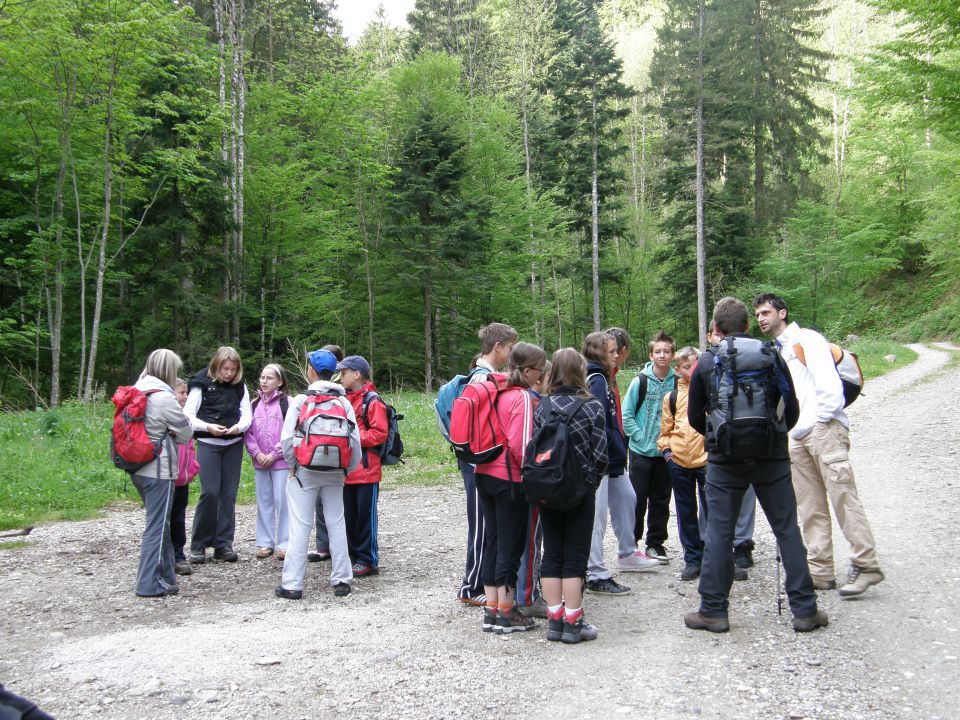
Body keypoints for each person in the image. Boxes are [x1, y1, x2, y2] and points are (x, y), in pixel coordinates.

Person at [685, 297, 827, 633]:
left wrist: (720, 435)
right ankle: (805, 610)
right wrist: (775, 436)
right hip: (771, 456)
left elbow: (693, 417)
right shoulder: (769, 353)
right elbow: (790, 406)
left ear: (716, 329)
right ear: (747, 325)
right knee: (786, 528)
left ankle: (714, 611)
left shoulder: (706, 361)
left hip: (724, 460)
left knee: (719, 531)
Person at [754, 293, 884, 597]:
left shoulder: (807, 340)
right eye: (757, 314)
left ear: (782, 313)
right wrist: (795, 431)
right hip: (798, 437)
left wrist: (819, 422)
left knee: (843, 497)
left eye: (766, 312)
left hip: (823, 431)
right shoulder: (780, 350)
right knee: (810, 506)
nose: (761, 318)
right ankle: (821, 570)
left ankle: (867, 564)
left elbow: (829, 386)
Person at [537, 348, 608, 644]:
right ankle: (574, 621)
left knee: (552, 552)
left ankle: (554, 620)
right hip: (580, 491)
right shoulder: (592, 406)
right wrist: (590, 483)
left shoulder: (543, 405)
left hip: (548, 487)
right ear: (580, 370)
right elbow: (601, 455)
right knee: (576, 554)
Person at [475, 342, 545, 634]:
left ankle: (492, 609)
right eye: (540, 371)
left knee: (492, 541)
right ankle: (507, 610)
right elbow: (521, 444)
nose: (541, 377)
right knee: (510, 544)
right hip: (509, 479)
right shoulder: (522, 398)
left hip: (483, 473)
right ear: (527, 371)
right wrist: (536, 469)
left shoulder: (496, 391)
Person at [277, 349, 359, 599]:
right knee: (336, 522)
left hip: (305, 471)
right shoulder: (343, 402)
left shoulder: (302, 401)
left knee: (300, 525)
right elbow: (353, 441)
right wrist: (347, 468)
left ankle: (292, 584)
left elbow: (287, 439)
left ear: (311, 371)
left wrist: (293, 464)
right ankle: (342, 580)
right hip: (336, 471)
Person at [583, 331, 656, 599]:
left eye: (616, 351)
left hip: (615, 456)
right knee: (596, 518)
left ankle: (627, 552)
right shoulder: (596, 380)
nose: (617, 355)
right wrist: (602, 457)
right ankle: (595, 572)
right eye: (611, 351)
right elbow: (596, 424)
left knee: (628, 497)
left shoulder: (606, 377)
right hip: (601, 459)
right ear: (598, 353)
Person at [457, 322, 518, 606]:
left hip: (477, 458)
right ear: (498, 347)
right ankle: (471, 587)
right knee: (482, 526)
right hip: (481, 459)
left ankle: (481, 583)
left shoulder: (481, 374)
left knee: (484, 524)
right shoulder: (483, 378)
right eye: (509, 347)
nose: (511, 353)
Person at [130, 349, 194, 597]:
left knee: (161, 523)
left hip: (137, 467)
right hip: (158, 469)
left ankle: (166, 577)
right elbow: (186, 432)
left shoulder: (137, 390)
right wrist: (172, 431)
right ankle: (148, 583)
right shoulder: (163, 397)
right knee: (156, 526)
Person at [184, 346, 252, 564]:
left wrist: (238, 428)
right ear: (217, 366)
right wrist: (208, 427)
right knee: (210, 492)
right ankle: (199, 544)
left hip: (232, 443)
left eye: (233, 369)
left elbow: (246, 414)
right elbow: (188, 415)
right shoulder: (200, 382)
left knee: (228, 494)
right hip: (208, 442)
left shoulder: (239, 385)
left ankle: (223, 544)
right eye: (225, 368)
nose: (229, 373)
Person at [707, 320, 757, 579]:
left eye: (719, 334)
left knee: (728, 496)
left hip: (725, 441)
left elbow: (696, 412)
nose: (718, 339)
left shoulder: (708, 363)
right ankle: (736, 547)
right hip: (753, 441)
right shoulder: (764, 352)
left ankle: (738, 545)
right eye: (714, 335)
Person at [622, 330, 676, 563]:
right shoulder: (640, 381)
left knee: (661, 499)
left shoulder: (678, 382)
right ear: (651, 354)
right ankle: (632, 543)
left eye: (666, 351)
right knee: (637, 498)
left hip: (666, 452)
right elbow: (627, 414)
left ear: (672, 355)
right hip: (641, 452)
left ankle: (656, 543)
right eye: (658, 351)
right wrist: (639, 436)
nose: (662, 355)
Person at [657, 347, 707, 581]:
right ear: (678, 370)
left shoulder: (709, 391)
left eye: (696, 364)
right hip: (678, 461)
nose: (693, 369)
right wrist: (667, 453)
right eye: (687, 366)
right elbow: (665, 431)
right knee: (685, 511)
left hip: (705, 460)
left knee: (714, 512)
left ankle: (716, 558)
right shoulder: (672, 398)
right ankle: (692, 559)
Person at [338, 355, 389, 578]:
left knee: (365, 518)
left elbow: (379, 433)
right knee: (348, 516)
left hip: (367, 471)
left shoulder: (372, 400)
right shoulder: (343, 399)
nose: (340, 378)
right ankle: (351, 556)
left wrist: (352, 438)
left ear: (356, 374)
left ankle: (367, 559)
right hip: (346, 471)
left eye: (344, 373)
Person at [245, 363, 291, 561]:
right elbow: (248, 433)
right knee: (264, 502)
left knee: (283, 502)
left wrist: (274, 454)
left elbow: (290, 433)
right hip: (260, 462)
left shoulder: (287, 403)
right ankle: (265, 543)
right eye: (262, 377)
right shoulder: (253, 405)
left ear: (280, 382)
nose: (264, 381)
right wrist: (257, 453)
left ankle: (285, 544)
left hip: (280, 462)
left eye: (269, 378)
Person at [308, 343, 345, 563]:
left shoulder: (340, 391)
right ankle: (324, 545)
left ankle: (338, 549)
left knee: (334, 507)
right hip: (317, 454)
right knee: (321, 504)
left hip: (336, 456)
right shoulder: (310, 393)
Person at [171, 379, 200, 577]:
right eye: (182, 392)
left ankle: (178, 554)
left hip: (182, 478)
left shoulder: (186, 418)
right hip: (166, 478)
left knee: (179, 517)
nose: (186, 396)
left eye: (186, 392)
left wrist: (192, 467)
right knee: (166, 518)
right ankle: (166, 555)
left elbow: (189, 447)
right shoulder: (165, 417)